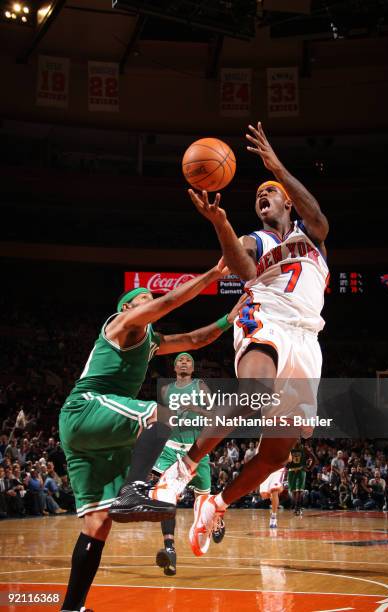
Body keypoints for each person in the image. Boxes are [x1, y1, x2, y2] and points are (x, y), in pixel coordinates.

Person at [149, 121, 329, 556]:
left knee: (276, 457)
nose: (261, 198)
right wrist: (220, 223)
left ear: (287, 200)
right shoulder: (256, 237)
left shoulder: (313, 239)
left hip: (308, 341)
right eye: (256, 196)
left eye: (268, 193)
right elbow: (245, 270)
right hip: (266, 316)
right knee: (251, 395)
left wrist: (276, 166)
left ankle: (217, 503)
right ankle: (182, 469)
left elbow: (319, 219)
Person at [58, 263, 239, 612]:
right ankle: (133, 491)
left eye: (149, 299)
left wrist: (228, 319)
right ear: (127, 308)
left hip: (91, 434)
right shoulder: (118, 324)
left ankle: (72, 607)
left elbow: (197, 339)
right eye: (143, 299)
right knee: (164, 413)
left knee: (98, 524)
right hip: (85, 407)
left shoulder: (151, 341)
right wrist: (213, 275)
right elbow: (169, 302)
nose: (149, 302)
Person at [153, 352, 224, 577]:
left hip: (196, 450)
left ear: (193, 368)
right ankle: (170, 549)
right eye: (180, 360)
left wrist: (197, 409)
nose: (184, 362)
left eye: (188, 361)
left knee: (203, 500)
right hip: (170, 449)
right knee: (166, 499)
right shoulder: (165, 390)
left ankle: (216, 519)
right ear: (174, 367)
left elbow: (215, 415)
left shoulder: (200, 386)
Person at [287, 440, 317, 516]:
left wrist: (309, 468)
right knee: (293, 491)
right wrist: (286, 465)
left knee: (299, 491)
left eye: (298, 438)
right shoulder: (289, 448)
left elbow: (314, 459)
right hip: (291, 471)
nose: (296, 439)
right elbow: (283, 459)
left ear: (300, 440)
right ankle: (296, 507)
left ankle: (298, 507)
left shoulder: (304, 448)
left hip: (301, 470)